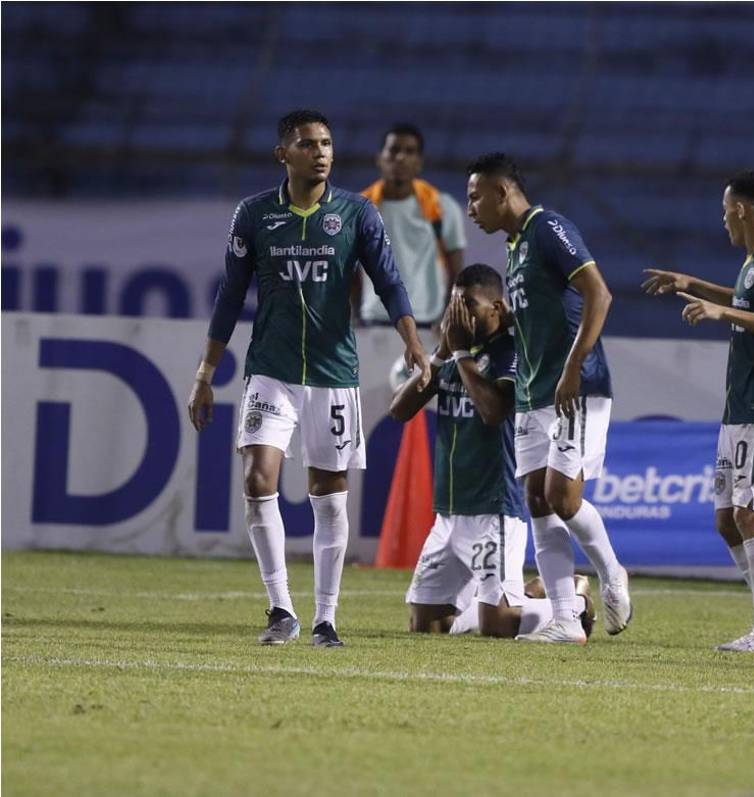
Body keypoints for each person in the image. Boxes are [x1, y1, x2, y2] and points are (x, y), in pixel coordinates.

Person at [188, 109, 431, 648]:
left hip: (333, 373)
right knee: (258, 480)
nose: (320, 152)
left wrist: (412, 340)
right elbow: (230, 296)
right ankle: (281, 610)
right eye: (307, 144)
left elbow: (389, 281)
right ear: (284, 154)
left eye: (326, 143)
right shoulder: (254, 214)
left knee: (329, 495)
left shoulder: (356, 213)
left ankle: (326, 618)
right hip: (271, 370)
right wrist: (205, 373)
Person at [465, 152, 631, 644]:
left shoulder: (548, 229)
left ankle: (612, 573)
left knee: (562, 496)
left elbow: (599, 294)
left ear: (502, 192)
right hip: (533, 391)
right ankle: (564, 619)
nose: (471, 208)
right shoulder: (515, 247)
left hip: (573, 386)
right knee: (538, 501)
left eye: (475, 197)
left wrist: (574, 366)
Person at [642, 170, 754, 653]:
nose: (723, 221)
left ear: (740, 209)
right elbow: (744, 301)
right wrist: (692, 284)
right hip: (740, 407)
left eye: (724, 211)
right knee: (727, 519)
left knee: (750, 514)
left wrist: (723, 313)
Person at [389, 264, 595, 639]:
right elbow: (399, 411)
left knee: (497, 625)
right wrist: (442, 354)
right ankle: (534, 592)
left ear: (496, 308)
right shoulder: (455, 356)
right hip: (449, 510)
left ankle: (573, 603)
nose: (458, 314)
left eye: (468, 304)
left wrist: (460, 353)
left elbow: (494, 410)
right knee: (428, 625)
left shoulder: (512, 352)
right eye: (454, 304)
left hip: (493, 507)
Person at [356, 123, 466, 327]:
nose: (400, 158)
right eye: (393, 150)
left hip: (426, 324)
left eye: (409, 152)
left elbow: (457, 273)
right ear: (379, 158)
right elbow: (348, 269)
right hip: (374, 323)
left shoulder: (442, 207)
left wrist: (447, 319)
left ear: (419, 163)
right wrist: (353, 317)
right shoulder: (359, 210)